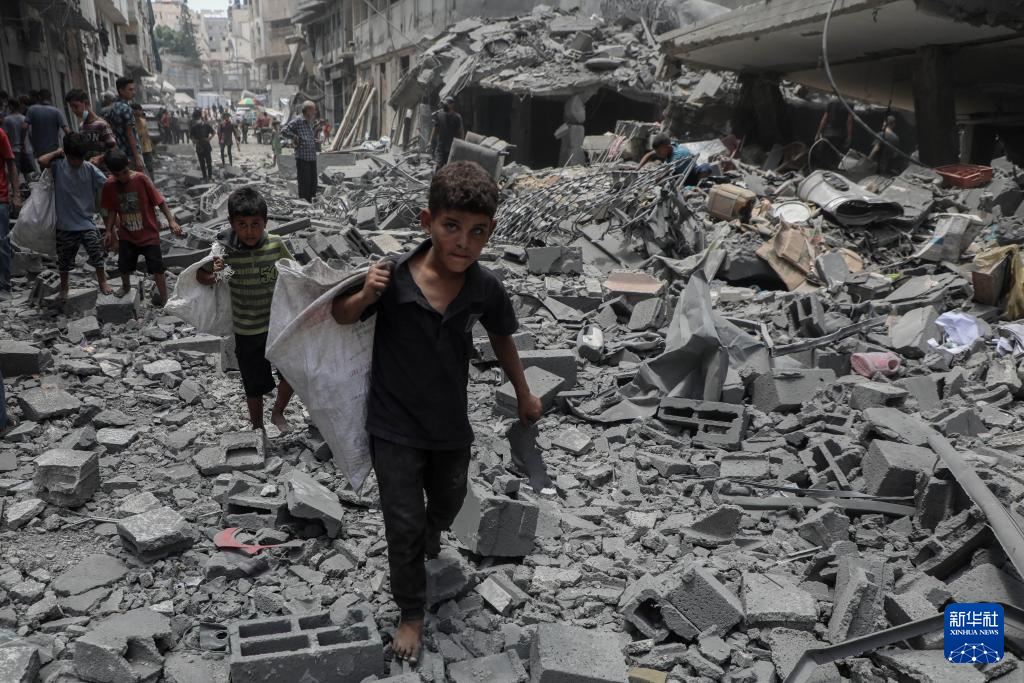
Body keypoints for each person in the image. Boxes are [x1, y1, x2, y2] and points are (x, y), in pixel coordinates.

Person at [330, 161, 541, 664]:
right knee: (401, 522)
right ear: (427, 221)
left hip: (449, 425)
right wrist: (366, 293)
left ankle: (430, 531)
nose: (463, 243)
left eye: (478, 232)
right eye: (452, 226)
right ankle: (411, 612)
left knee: (448, 501)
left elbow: (502, 337)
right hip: (393, 426)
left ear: (490, 231)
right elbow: (340, 314)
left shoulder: (484, 287)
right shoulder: (393, 277)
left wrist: (524, 392)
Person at [195, 187, 295, 432]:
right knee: (253, 385)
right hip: (247, 331)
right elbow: (201, 277)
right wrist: (217, 273)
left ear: (265, 222)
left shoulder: (275, 245)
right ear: (232, 224)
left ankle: (278, 412)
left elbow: (293, 273)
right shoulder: (226, 251)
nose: (249, 231)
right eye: (242, 225)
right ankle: (257, 428)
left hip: (278, 326)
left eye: (255, 224)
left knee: (293, 374)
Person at [101, 150, 182, 306]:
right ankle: (126, 286)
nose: (122, 177)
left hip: (149, 234)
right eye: (117, 175)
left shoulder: (141, 179)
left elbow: (160, 202)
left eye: (125, 172)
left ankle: (165, 299)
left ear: (128, 165)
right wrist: (109, 230)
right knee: (124, 265)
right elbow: (111, 210)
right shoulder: (110, 186)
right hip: (127, 235)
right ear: (111, 173)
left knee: (157, 268)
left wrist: (171, 221)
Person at [38, 134, 112, 299]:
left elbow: (107, 184)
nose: (77, 162)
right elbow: (42, 161)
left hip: (86, 222)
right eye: (73, 159)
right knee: (64, 261)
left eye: (80, 159)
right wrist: (57, 152)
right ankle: (64, 287)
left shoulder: (89, 168)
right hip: (64, 225)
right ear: (66, 154)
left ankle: (102, 281)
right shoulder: (58, 165)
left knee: (97, 253)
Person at [0, 123, 23, 300]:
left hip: (0, 198)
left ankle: (4, 286)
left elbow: (11, 164)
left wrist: (16, 194)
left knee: (2, 243)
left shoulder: (0, 134)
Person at [64, 89, 116, 166]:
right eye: (71, 107)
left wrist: (100, 158)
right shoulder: (81, 126)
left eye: (75, 106)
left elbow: (113, 149)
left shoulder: (102, 125)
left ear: (86, 103)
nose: (73, 110)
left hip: (104, 169)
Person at [638, 133, 713, 185]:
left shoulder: (676, 157)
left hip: (690, 176)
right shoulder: (671, 146)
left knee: (706, 167)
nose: (658, 154)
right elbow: (649, 155)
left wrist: (652, 180)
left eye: (659, 152)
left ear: (667, 147)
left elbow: (663, 174)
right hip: (679, 173)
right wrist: (638, 168)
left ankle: (697, 185)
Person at [281, 101, 319, 202]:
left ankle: (312, 202)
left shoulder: (309, 122)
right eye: (313, 110)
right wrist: (294, 137)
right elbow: (284, 131)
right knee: (304, 182)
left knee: (313, 182)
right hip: (303, 158)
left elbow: (306, 137)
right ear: (308, 110)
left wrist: (313, 140)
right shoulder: (298, 120)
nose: (315, 112)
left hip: (312, 157)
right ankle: (304, 202)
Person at [108, 77, 145, 172]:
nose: (134, 92)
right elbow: (130, 133)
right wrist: (137, 157)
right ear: (121, 91)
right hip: (130, 153)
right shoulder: (126, 109)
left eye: (133, 89)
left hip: (119, 153)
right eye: (130, 90)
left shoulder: (113, 107)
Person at [24, 88, 71, 158]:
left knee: (42, 164)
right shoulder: (56, 111)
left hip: (39, 151)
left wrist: (22, 143)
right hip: (54, 150)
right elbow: (67, 131)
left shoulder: (32, 109)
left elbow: (24, 127)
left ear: (39, 97)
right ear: (50, 98)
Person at [815, 97, 853, 169]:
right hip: (840, 135)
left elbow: (824, 119)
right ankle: (830, 169)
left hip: (827, 133)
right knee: (834, 157)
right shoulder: (849, 104)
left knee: (823, 155)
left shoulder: (831, 101)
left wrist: (818, 132)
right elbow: (849, 121)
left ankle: (821, 168)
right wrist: (849, 136)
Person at [429, 96, 464, 171]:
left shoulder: (457, 117)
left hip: (452, 148)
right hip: (440, 148)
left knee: (450, 170)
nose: (444, 105)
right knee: (438, 168)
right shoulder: (439, 115)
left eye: (446, 104)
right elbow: (435, 129)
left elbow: (461, 132)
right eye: (444, 104)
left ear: (452, 105)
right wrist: (430, 142)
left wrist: (461, 146)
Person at [2, 98, 34, 177]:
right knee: (29, 175)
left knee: (15, 173)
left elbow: (4, 135)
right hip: (26, 149)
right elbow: (30, 134)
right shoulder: (24, 118)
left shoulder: (6, 120)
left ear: (11, 106)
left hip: (13, 149)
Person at [190, 112, 215, 180]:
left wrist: (209, 138)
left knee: (209, 163)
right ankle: (204, 176)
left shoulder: (207, 126)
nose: (197, 120)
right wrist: (194, 140)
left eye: (198, 118)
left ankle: (210, 176)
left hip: (207, 146)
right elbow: (191, 136)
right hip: (199, 147)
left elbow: (213, 132)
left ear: (201, 118)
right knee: (202, 163)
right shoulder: (194, 127)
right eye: (196, 119)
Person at [132, 104, 155, 176]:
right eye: (138, 110)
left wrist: (152, 146)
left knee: (149, 168)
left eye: (140, 110)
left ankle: (151, 181)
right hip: (138, 150)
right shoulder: (131, 123)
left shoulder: (144, 121)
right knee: (141, 169)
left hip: (147, 148)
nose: (140, 112)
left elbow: (147, 135)